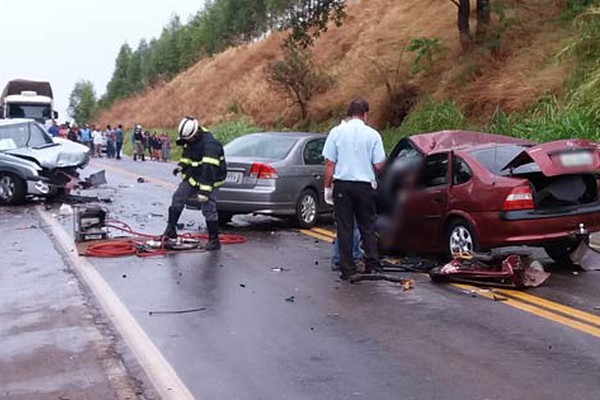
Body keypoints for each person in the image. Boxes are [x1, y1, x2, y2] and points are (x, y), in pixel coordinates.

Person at [322, 99, 386, 280]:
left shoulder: (336, 132)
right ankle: (373, 265)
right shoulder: (373, 135)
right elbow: (379, 164)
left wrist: (327, 187)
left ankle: (347, 268)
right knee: (367, 227)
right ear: (365, 114)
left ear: (349, 114)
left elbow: (329, 163)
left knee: (345, 227)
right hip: (364, 187)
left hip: (343, 185)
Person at [160, 117, 227, 251]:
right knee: (178, 197)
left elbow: (209, 170)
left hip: (211, 180)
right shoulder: (191, 141)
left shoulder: (210, 145)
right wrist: (182, 166)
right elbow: (187, 155)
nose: (188, 141)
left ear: (196, 133)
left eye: (189, 139)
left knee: (208, 207)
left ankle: (214, 240)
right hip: (194, 175)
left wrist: (204, 192)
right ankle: (170, 229)